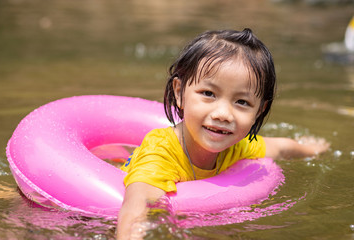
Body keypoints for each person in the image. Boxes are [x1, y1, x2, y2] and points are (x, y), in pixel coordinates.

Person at [116, 29, 330, 239]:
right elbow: (138, 207)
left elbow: (282, 147)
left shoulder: (239, 147)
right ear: (179, 93)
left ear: (260, 111)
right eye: (208, 94)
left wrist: (313, 149)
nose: (224, 114)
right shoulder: (160, 152)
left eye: (242, 102)